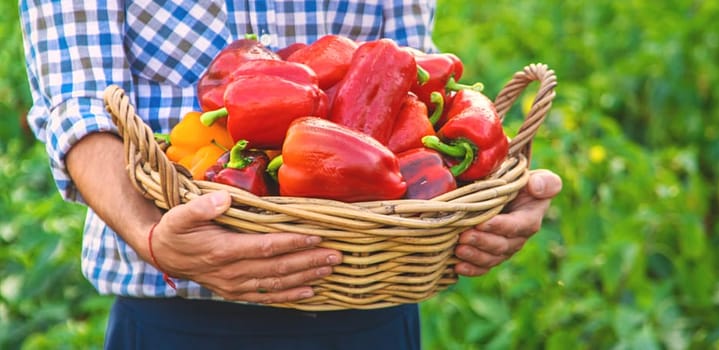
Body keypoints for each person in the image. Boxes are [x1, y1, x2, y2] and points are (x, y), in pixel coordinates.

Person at [19, 1, 562, 349]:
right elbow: (80, 107)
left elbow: (411, 82)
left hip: (368, 306)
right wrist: (152, 235)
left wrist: (491, 198)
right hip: (176, 317)